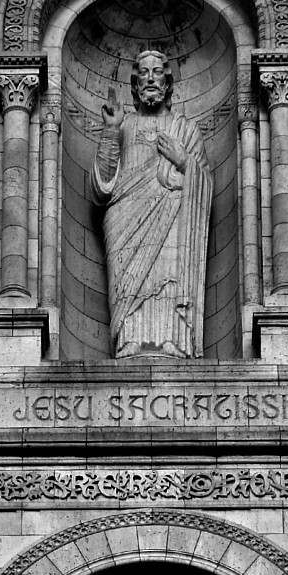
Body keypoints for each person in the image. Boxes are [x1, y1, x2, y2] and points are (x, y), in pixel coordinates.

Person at [95, 50, 210, 358]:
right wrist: (109, 131)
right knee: (128, 281)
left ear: (167, 82)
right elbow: (102, 186)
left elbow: (204, 186)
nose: (150, 79)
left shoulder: (185, 129)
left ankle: (174, 338)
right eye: (143, 73)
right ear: (135, 84)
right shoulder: (123, 126)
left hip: (171, 213)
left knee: (168, 276)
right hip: (125, 218)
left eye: (156, 72)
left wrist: (183, 159)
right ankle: (128, 338)